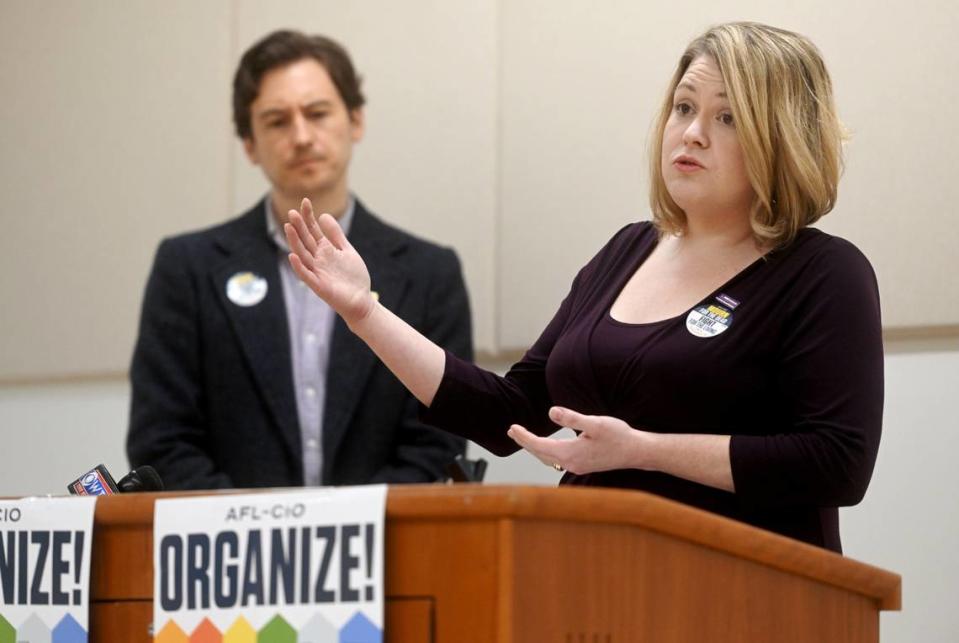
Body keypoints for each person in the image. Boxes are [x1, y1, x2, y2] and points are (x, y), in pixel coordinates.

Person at [283, 22, 882, 552]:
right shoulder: (626, 251)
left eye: (726, 117)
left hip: (745, 593)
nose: (692, 133)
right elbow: (511, 414)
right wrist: (364, 310)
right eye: (683, 107)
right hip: (593, 577)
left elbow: (837, 464)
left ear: (780, 137)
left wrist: (641, 449)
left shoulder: (824, 273)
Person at [127, 30, 472, 490]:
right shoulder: (187, 268)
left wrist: (347, 530)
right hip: (233, 549)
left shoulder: (430, 274)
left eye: (317, 113)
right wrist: (260, 532)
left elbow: (440, 443)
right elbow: (162, 441)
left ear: (355, 121)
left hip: (383, 548)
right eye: (276, 121)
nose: (302, 136)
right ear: (249, 144)